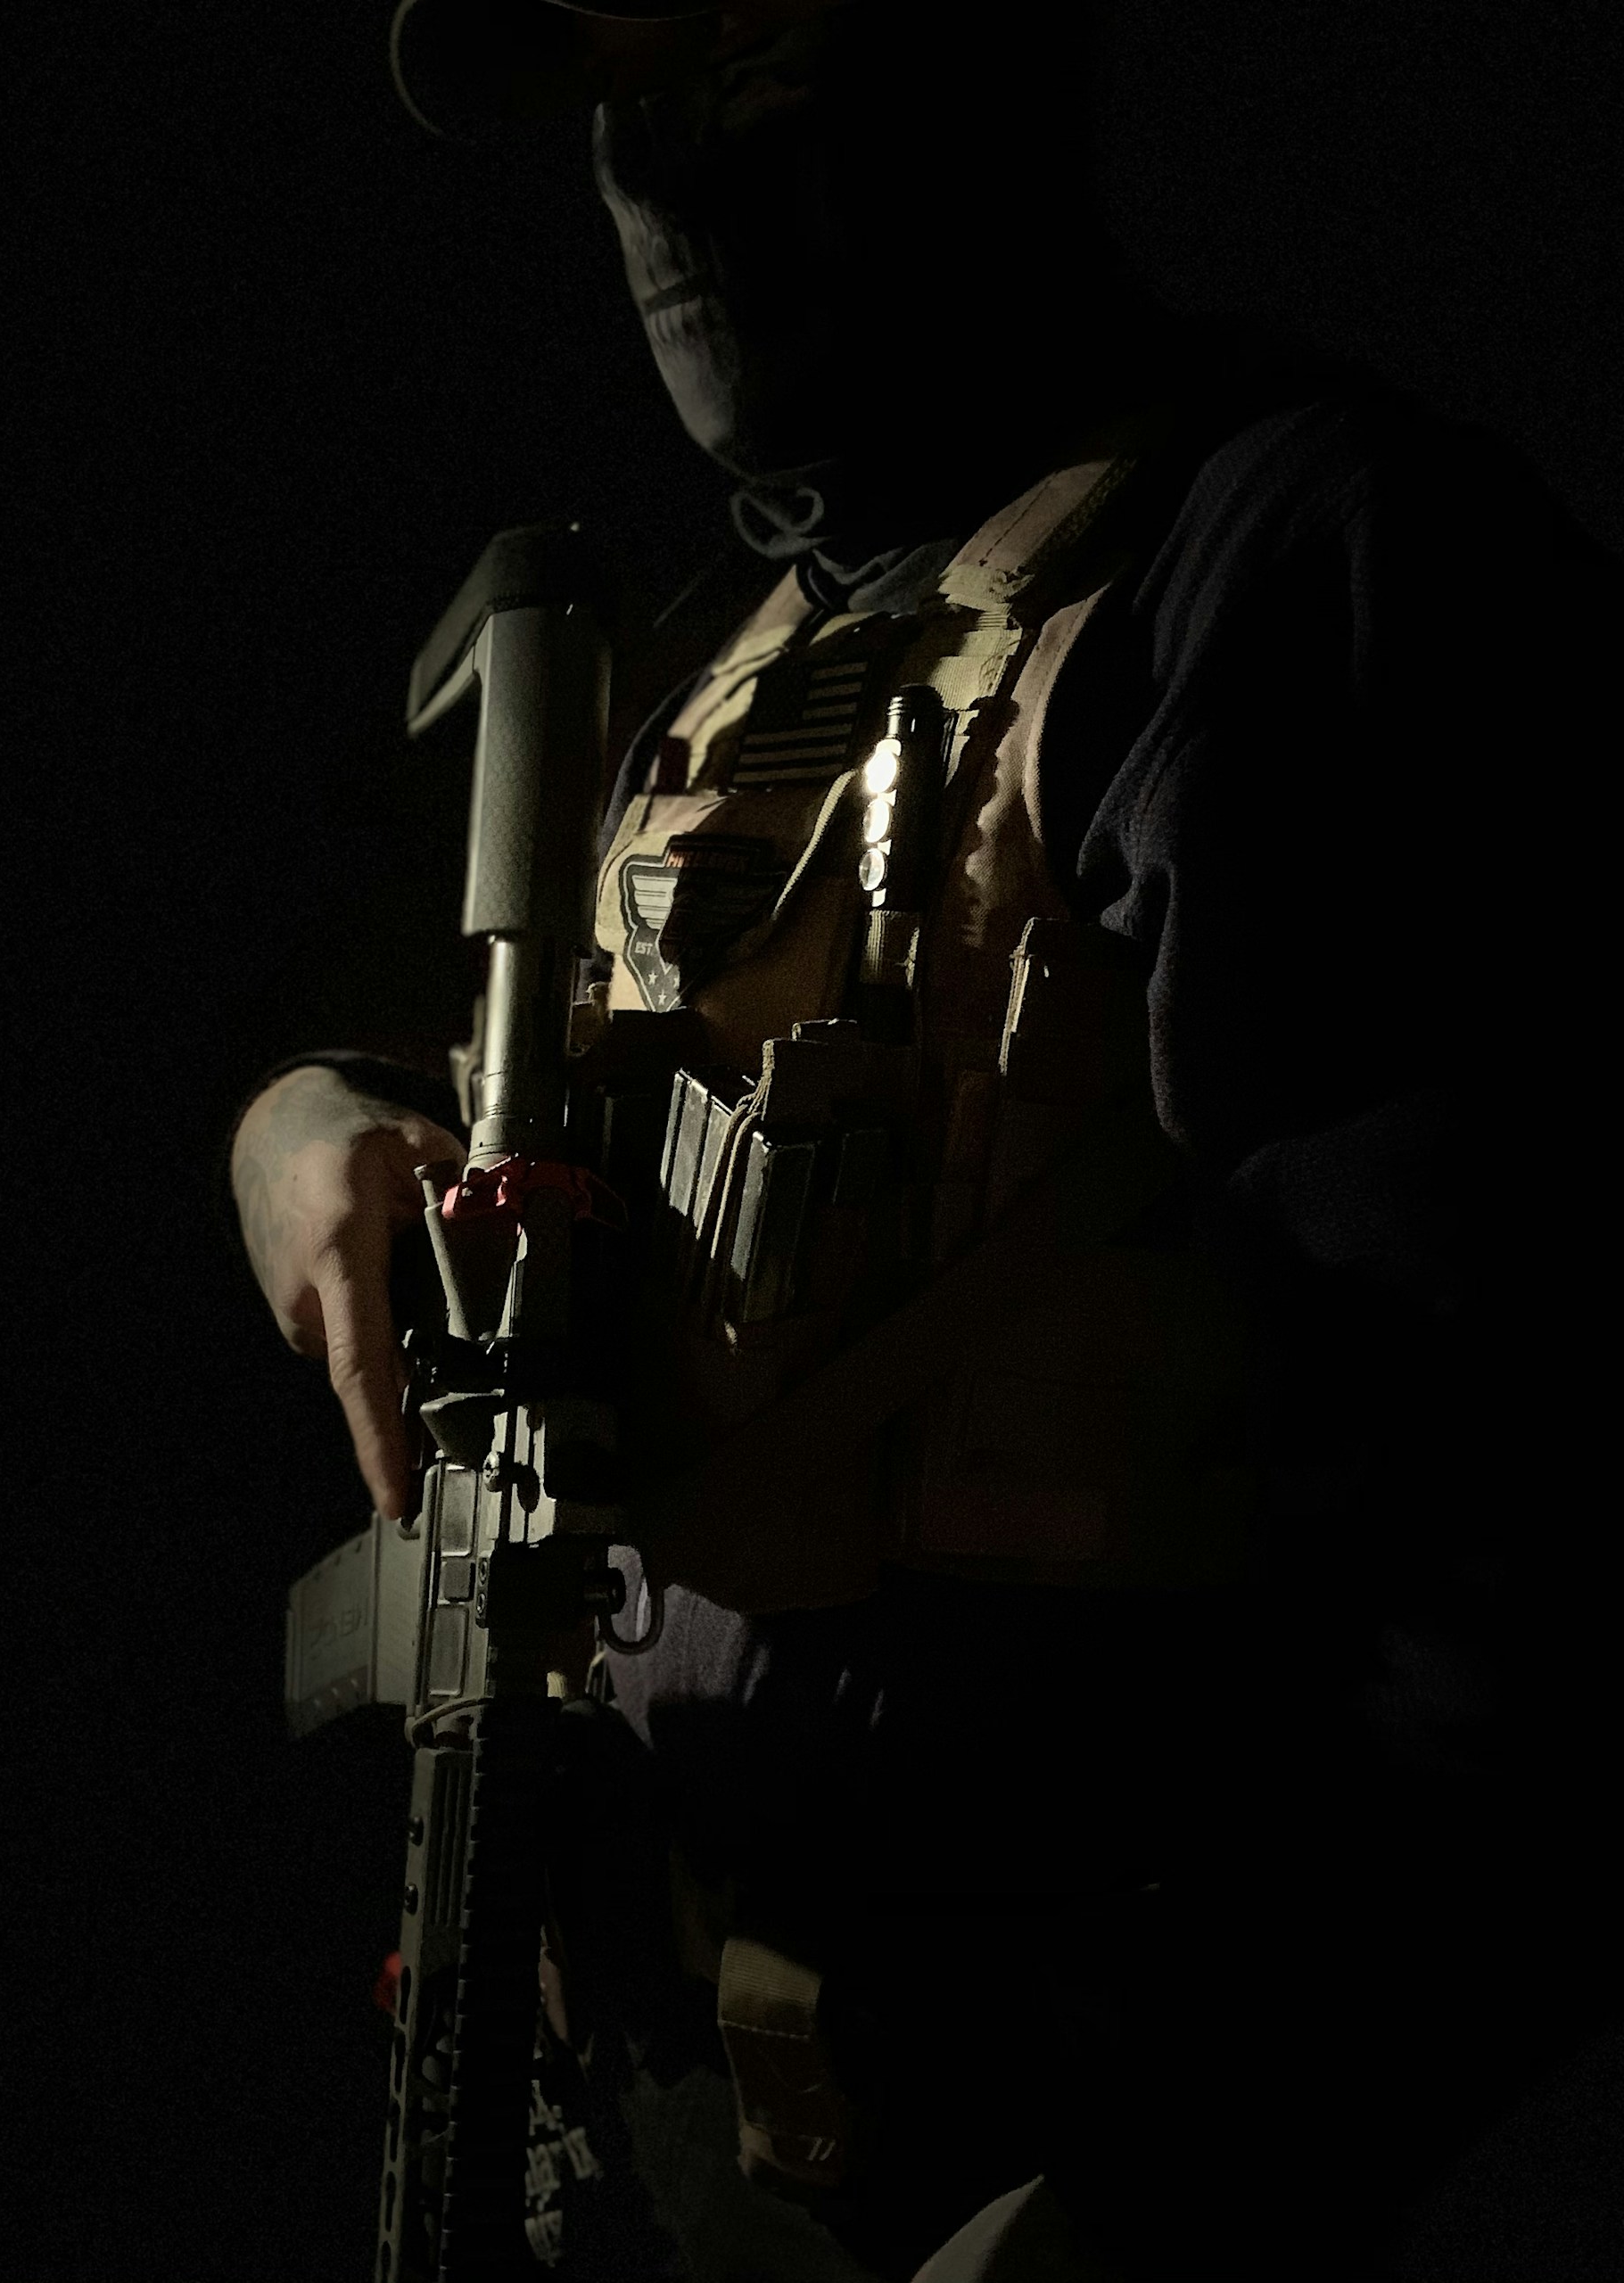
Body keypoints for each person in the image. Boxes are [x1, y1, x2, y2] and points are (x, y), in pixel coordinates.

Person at [231, 4, 1620, 2275]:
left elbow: (1554, 1593)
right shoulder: (735, 656)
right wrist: (307, 1127)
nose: (652, 169)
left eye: (734, 52)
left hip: (1052, 2155)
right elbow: (515, 1102)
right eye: (604, 93)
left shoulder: (1291, 583)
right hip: (661, 2129)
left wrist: (1185, 2190)